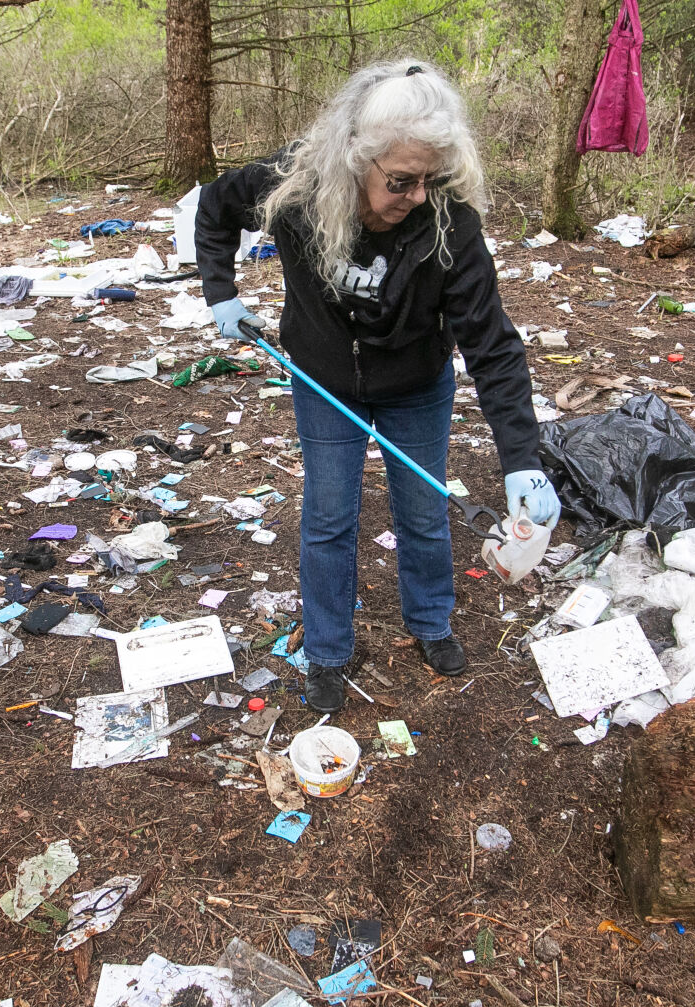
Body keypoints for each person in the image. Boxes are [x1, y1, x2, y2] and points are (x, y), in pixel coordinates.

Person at [196, 58, 560, 713]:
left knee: (423, 515)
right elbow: (215, 207)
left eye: (431, 178)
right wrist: (221, 291)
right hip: (323, 378)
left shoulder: (448, 226)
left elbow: (492, 345)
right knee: (328, 519)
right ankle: (329, 653)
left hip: (416, 384)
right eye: (400, 180)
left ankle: (430, 622)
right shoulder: (296, 186)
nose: (417, 195)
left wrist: (522, 461)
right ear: (355, 159)